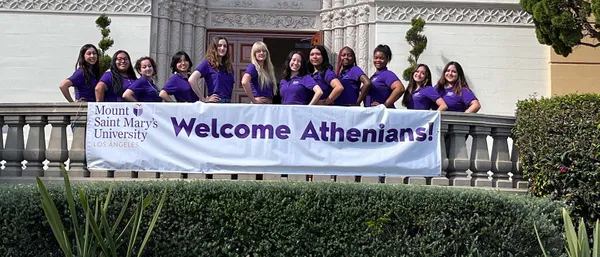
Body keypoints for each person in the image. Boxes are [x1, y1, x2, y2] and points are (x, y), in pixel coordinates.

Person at [188, 36, 234, 103]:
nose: (222, 48)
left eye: (225, 46)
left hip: (227, 103)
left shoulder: (228, 66)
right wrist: (202, 99)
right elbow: (192, 79)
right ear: (214, 48)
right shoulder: (208, 64)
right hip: (215, 103)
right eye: (219, 45)